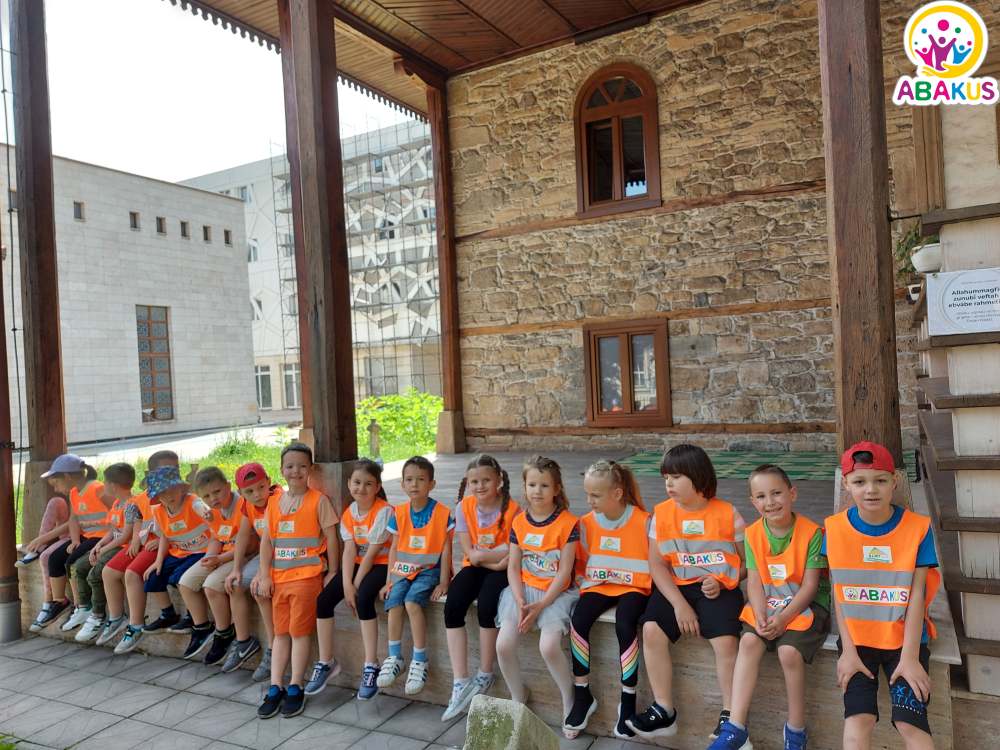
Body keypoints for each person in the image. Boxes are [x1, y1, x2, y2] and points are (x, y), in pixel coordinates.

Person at [825, 442, 939, 750]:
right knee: (857, 721)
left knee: (910, 723)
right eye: (860, 481)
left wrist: (910, 657)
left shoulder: (917, 528)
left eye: (880, 480)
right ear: (846, 484)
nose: (871, 489)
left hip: (905, 641)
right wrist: (848, 651)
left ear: (894, 481)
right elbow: (840, 593)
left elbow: (917, 595)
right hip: (858, 642)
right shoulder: (834, 529)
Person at [629, 444, 746, 741]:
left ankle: (731, 715)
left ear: (698, 476)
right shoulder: (660, 515)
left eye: (677, 477)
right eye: (666, 477)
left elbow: (748, 565)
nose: (669, 484)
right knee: (652, 630)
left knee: (725, 642)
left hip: (719, 589)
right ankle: (664, 710)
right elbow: (657, 564)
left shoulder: (727, 514)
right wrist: (679, 605)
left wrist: (722, 582)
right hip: (676, 587)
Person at [709, 464, 830, 750]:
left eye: (777, 493)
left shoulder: (813, 532)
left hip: (805, 606)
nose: (770, 502)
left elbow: (810, 587)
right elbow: (754, 581)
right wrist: (760, 613)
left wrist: (784, 618)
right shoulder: (752, 533)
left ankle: (796, 730)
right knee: (749, 641)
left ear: (792, 494)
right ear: (753, 502)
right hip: (769, 602)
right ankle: (735, 726)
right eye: (761, 496)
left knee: (788, 652)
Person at [495, 456, 580, 739]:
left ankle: (570, 699)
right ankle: (518, 696)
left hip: (556, 593)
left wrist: (541, 605)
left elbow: (565, 573)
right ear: (525, 486)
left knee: (548, 646)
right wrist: (520, 600)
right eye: (532, 484)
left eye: (544, 485)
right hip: (523, 591)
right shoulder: (519, 522)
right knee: (503, 645)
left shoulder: (568, 523)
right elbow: (513, 567)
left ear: (557, 489)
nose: (537, 491)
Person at [566, 460, 650, 739]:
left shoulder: (643, 521)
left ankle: (628, 700)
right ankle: (582, 695)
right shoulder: (586, 523)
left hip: (634, 587)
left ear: (617, 493)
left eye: (596, 495)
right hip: (599, 585)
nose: (589, 501)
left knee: (625, 624)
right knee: (578, 621)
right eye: (587, 494)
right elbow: (581, 562)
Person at [255, 443, 339, 720]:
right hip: (279, 579)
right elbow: (267, 541)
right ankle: (275, 686)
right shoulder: (274, 502)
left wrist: (333, 571)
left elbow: (332, 537)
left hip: (306, 578)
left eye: (302, 466)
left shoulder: (318, 501)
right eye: (290, 466)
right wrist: (264, 574)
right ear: (282, 470)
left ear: (310, 469)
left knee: (299, 633)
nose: (296, 471)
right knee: (280, 633)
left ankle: (295, 686)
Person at [441, 454, 520, 721]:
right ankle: (460, 680)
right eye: (474, 481)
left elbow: (514, 551)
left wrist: (491, 559)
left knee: (488, 604)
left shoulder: (513, 510)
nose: (480, 486)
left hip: (503, 570)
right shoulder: (464, 507)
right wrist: (493, 558)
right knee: (453, 605)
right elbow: (470, 554)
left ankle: (485, 672)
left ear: (499, 480)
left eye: (486, 480)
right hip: (482, 566)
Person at [307, 458, 393, 699]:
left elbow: (372, 554)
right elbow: (349, 550)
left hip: (381, 564)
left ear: (377, 487)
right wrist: (346, 584)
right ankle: (326, 661)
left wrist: (354, 586)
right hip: (357, 563)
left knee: (364, 597)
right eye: (357, 482)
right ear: (348, 483)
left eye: (368, 484)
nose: (361, 488)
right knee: (323, 601)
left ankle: (371, 665)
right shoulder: (350, 512)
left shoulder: (384, 511)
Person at [377, 456, 453, 696]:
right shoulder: (399, 513)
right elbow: (394, 548)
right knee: (395, 601)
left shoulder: (442, 513)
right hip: (403, 571)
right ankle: (395, 657)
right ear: (402, 484)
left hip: (429, 570)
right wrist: (389, 580)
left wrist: (444, 581)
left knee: (411, 602)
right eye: (409, 480)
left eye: (420, 479)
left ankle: (420, 659)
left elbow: (446, 549)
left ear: (432, 484)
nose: (414, 484)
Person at [116, 465, 212, 654]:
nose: (168, 496)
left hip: (202, 551)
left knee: (178, 578)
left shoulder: (193, 502)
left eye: (171, 490)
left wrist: (208, 513)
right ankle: (168, 614)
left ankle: (196, 620)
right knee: (152, 578)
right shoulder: (159, 511)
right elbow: (165, 537)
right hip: (178, 552)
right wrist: (158, 562)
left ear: (181, 488)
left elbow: (207, 513)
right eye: (162, 494)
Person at [97, 450, 178, 648]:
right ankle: (116, 618)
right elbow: (138, 521)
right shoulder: (139, 500)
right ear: (150, 473)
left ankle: (136, 625)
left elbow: (180, 525)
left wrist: (161, 541)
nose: (172, 472)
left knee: (132, 573)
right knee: (108, 572)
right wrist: (135, 540)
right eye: (166, 468)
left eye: (175, 468)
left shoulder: (179, 495)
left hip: (164, 545)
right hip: (145, 543)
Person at [177, 466, 245, 662]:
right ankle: (201, 627)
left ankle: (224, 632)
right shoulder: (213, 511)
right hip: (222, 554)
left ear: (228, 486)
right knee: (186, 582)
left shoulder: (242, 506)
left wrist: (220, 560)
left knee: (212, 585)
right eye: (206, 496)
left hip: (241, 555)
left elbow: (248, 545)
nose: (213, 498)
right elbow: (216, 537)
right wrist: (210, 557)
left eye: (217, 492)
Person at [225, 462, 282, 678]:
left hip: (283, 553)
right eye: (249, 491)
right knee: (235, 584)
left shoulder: (278, 500)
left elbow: (277, 540)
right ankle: (243, 642)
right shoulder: (247, 505)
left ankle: (274, 647)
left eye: (261, 487)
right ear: (241, 493)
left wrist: (262, 573)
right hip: (265, 555)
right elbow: (242, 535)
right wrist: (236, 568)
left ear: (269, 481)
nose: (257, 494)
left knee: (260, 590)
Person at [40, 454, 106, 633]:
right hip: (87, 537)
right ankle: (60, 602)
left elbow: (117, 510)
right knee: (55, 558)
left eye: (56, 483)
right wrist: (75, 540)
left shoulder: (97, 488)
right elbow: (74, 519)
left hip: (103, 537)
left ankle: (81, 606)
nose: (56, 489)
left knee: (72, 563)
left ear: (67, 476)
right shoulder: (74, 493)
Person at [73, 463, 138, 643]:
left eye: (105, 482)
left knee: (94, 575)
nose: (103, 485)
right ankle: (85, 608)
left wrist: (104, 550)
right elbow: (112, 530)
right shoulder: (117, 503)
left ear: (113, 485)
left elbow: (126, 536)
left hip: (123, 547)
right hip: (112, 545)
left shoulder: (131, 505)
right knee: (80, 565)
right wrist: (99, 545)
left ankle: (99, 615)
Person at [23, 493, 72, 632]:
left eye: (56, 482)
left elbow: (75, 523)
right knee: (56, 501)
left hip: (82, 536)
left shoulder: (88, 491)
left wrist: (43, 538)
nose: (54, 487)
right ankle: (38, 547)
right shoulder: (74, 493)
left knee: (46, 557)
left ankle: (52, 602)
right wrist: (42, 539)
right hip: (68, 535)